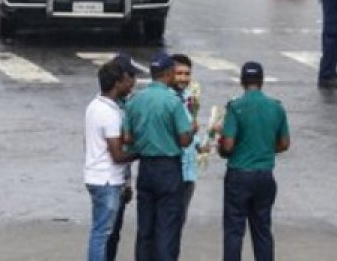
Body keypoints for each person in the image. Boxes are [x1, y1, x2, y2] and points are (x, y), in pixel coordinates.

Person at [122, 54, 193, 261]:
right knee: (167, 229)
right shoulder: (173, 101)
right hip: (169, 168)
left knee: (145, 228)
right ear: (169, 73)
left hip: (145, 167)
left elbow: (127, 137)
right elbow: (184, 140)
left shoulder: (135, 100)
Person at [219, 62, 290, 261]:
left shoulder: (235, 107)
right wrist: (266, 150)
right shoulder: (276, 107)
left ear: (242, 82)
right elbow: (284, 143)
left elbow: (228, 146)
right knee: (262, 230)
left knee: (234, 231)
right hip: (265, 176)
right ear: (262, 81)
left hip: (239, 174)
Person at [85, 61, 140, 261]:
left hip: (95, 176)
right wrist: (143, 151)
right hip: (106, 180)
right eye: (128, 80)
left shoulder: (94, 105)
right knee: (102, 234)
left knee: (100, 231)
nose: (131, 85)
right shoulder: (109, 113)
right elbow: (117, 155)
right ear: (117, 83)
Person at [171, 54, 210, 231]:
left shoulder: (189, 99)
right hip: (172, 171)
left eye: (187, 74)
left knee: (179, 222)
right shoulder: (168, 100)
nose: (183, 78)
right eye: (179, 73)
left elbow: (191, 132)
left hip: (189, 173)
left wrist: (200, 145)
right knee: (167, 225)